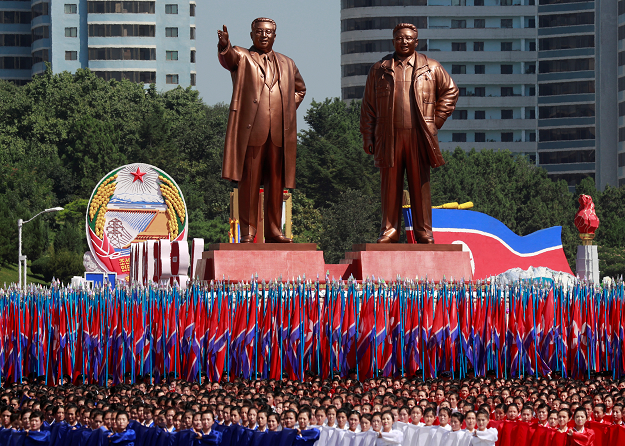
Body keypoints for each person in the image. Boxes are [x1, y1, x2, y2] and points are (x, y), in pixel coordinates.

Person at [360, 22, 458, 244]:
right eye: (399, 38)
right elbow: (368, 106)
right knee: (389, 186)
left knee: (420, 184)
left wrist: (436, 121)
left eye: (408, 38)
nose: (403, 42)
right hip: (388, 135)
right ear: (393, 40)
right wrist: (368, 136)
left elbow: (451, 91)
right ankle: (389, 230)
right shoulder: (380, 69)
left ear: (416, 42)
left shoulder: (431, 67)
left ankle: (424, 231)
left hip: (418, 136)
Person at [217, 17, 306, 243]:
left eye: (268, 32)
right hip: (252, 131)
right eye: (259, 31)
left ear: (275, 36)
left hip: (278, 133)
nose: (264, 35)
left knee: (276, 183)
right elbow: (229, 59)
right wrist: (224, 46)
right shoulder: (243, 56)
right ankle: (248, 231)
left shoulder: (287, 63)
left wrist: (287, 107)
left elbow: (300, 90)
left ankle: (274, 230)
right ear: (251, 35)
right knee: (250, 183)